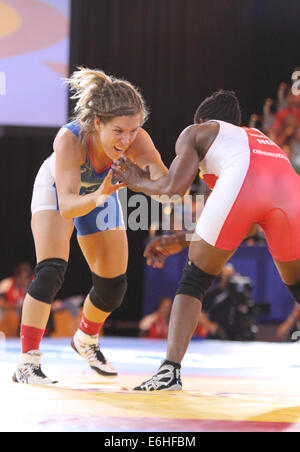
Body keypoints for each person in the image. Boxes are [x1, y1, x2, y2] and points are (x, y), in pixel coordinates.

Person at [112, 89, 300, 391]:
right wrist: (183, 239)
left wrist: (137, 180)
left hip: (246, 186)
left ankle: (169, 372)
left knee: (195, 279)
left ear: (201, 119)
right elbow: (243, 225)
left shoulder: (197, 132)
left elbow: (174, 189)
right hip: (292, 191)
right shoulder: (257, 141)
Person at [12, 67, 167, 384]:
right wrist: (102, 193)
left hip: (101, 191)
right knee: (51, 270)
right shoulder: (70, 139)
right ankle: (27, 363)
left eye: (134, 130)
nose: (127, 140)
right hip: (60, 190)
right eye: (119, 131)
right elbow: (68, 205)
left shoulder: (137, 141)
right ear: (98, 123)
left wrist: (165, 190)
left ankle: (85, 338)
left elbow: (166, 187)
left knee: (113, 287)